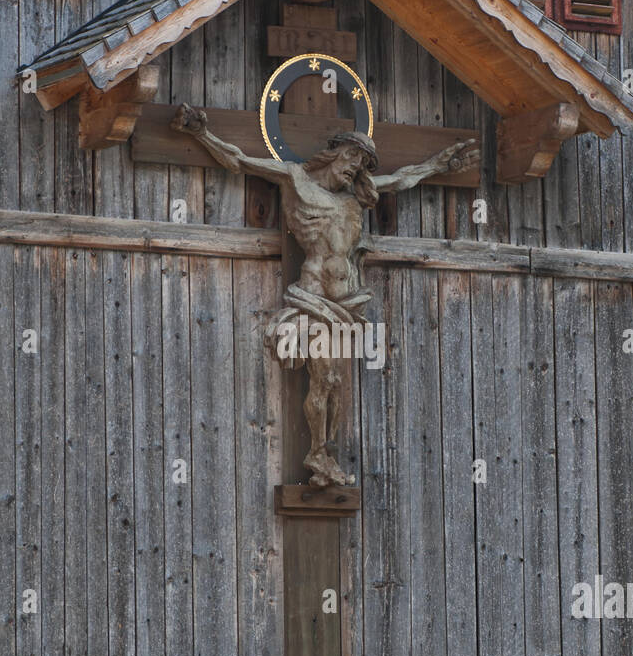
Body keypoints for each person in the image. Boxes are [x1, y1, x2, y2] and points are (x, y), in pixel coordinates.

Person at [172, 104, 476, 487]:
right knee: (326, 378)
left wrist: (439, 165)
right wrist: (201, 133)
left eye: (363, 161)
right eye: (351, 155)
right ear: (334, 152)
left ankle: (323, 452)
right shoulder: (294, 179)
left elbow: (400, 179)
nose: (354, 166)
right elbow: (237, 160)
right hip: (315, 301)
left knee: (333, 384)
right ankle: (318, 454)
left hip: (348, 304)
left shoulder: (354, 199)